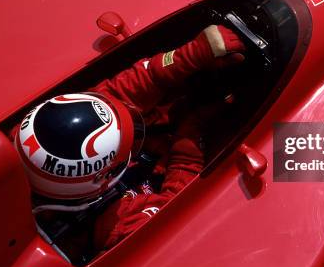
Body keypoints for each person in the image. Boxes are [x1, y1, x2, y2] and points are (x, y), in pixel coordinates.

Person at [13, 25, 246, 249]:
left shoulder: (25, 134)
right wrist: (190, 136)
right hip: (164, 167)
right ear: (103, 178)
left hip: (150, 151)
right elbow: (177, 206)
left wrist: (187, 56)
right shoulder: (115, 226)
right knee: (281, 167)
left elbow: (110, 96)